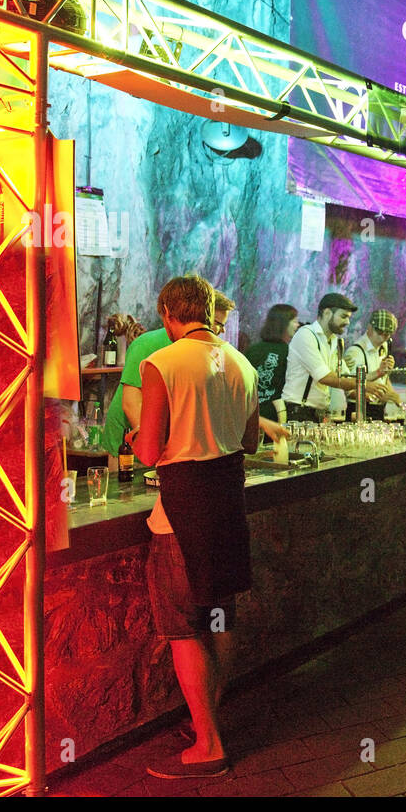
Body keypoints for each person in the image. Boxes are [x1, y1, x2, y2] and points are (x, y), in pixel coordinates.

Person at [132, 275, 259, 779]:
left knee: (185, 629)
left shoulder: (161, 362)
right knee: (219, 617)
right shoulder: (242, 363)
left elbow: (146, 450)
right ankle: (211, 718)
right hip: (228, 503)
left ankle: (208, 743)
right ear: (208, 311)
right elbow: (249, 441)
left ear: (168, 313)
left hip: (181, 512)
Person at [104, 291, 242, 454]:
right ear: (203, 317)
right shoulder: (147, 343)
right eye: (219, 323)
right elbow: (131, 402)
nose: (223, 331)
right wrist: (152, 446)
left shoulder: (207, 351)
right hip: (127, 441)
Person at [281, 292, 360, 422]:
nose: (347, 322)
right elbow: (324, 377)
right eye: (343, 316)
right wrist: (362, 385)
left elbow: (345, 376)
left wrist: (377, 374)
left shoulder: (334, 341)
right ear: (327, 313)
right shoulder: (306, 335)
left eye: (349, 318)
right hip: (298, 411)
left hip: (319, 413)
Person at [343, 308, 402, 421]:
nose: (382, 338)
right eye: (379, 333)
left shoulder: (383, 347)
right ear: (369, 328)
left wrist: (392, 395)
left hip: (379, 409)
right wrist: (375, 396)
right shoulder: (355, 352)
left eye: (387, 335)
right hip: (359, 410)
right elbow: (348, 389)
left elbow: (384, 379)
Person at [244, 303, 299, 422]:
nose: (297, 325)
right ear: (283, 323)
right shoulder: (289, 352)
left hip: (249, 415)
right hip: (275, 416)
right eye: (294, 321)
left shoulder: (252, 350)